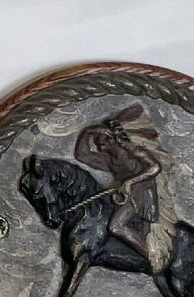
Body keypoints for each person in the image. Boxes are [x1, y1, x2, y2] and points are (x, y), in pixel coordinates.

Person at [73, 105, 176, 273]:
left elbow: (155, 167)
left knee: (115, 227)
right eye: (98, 145)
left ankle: (151, 254)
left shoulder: (133, 151)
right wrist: (88, 131)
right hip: (124, 196)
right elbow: (82, 155)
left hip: (141, 194)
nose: (101, 149)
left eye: (103, 144)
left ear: (112, 139)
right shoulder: (108, 161)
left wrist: (130, 182)